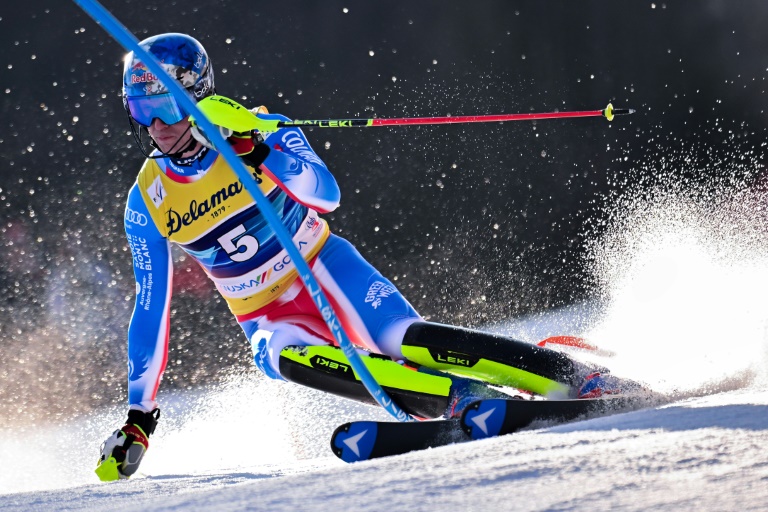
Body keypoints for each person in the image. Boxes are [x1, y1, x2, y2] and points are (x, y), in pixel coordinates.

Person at [96, 33, 619, 481]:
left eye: (165, 107)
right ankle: (462, 397)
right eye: (142, 111)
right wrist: (140, 415)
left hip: (325, 268)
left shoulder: (257, 125)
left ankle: (571, 372)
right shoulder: (147, 199)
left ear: (195, 97)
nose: (157, 126)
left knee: (400, 338)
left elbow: (325, 194)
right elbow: (151, 305)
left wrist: (261, 151)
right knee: (281, 357)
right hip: (263, 314)